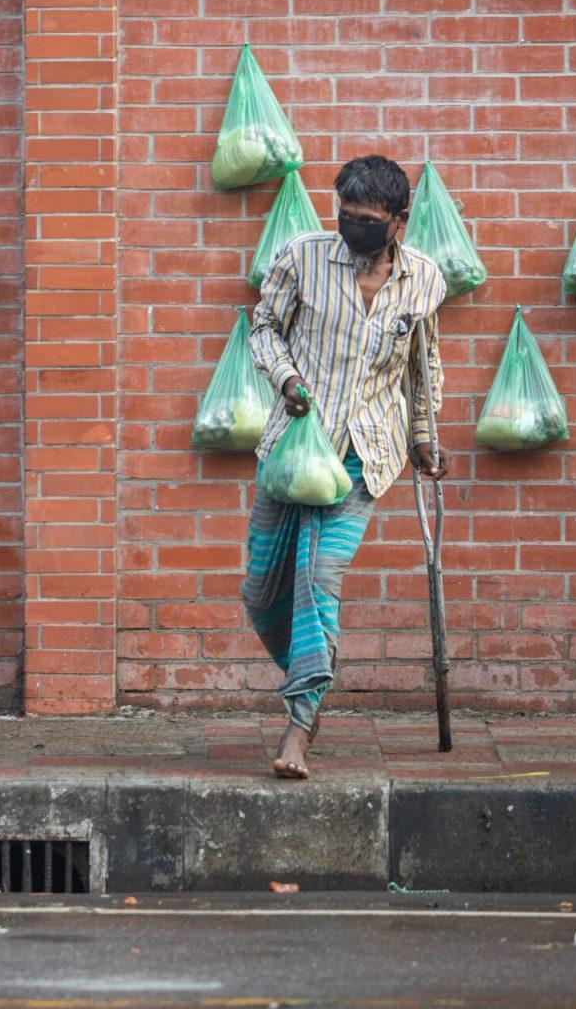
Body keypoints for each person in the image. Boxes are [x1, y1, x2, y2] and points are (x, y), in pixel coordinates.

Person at [246, 154, 448, 780]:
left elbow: (422, 365)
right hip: (294, 450)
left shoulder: (423, 281)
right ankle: (312, 670)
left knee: (319, 581)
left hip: (365, 456)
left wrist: (422, 435)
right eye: (345, 216)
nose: (352, 229)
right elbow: (263, 329)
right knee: (261, 592)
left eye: (367, 220)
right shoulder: (301, 256)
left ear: (399, 221)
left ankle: (299, 726)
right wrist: (286, 380)